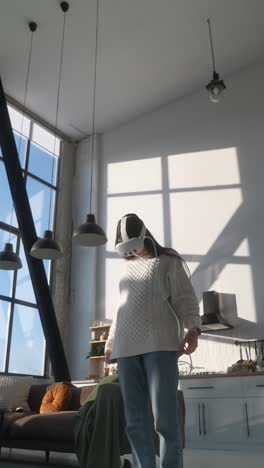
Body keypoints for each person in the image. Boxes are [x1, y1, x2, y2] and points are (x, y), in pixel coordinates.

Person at [105, 213, 202, 468]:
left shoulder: (168, 261)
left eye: (133, 248)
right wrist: (110, 343)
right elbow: (120, 309)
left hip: (161, 345)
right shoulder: (126, 270)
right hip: (126, 349)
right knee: (134, 421)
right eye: (125, 251)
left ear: (145, 236)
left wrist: (193, 330)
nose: (130, 254)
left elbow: (185, 299)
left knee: (165, 420)